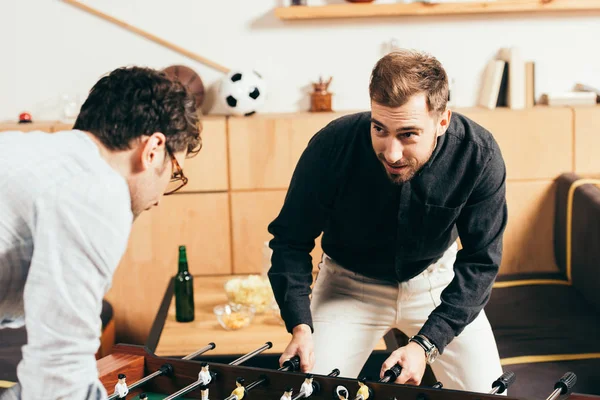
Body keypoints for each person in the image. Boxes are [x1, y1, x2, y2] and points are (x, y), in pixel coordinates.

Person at [267, 49, 507, 392]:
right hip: (347, 285)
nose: (391, 153)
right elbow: (290, 240)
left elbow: (482, 261)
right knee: (309, 393)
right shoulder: (331, 146)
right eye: (379, 129)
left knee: (491, 393)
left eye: (408, 134)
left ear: (442, 121)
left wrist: (427, 344)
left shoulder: (478, 155)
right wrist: (300, 326)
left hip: (435, 282)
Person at [0, 66, 201, 399]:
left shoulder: (38, 156)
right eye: (175, 172)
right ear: (153, 150)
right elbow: (58, 383)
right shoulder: (97, 190)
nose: (161, 198)